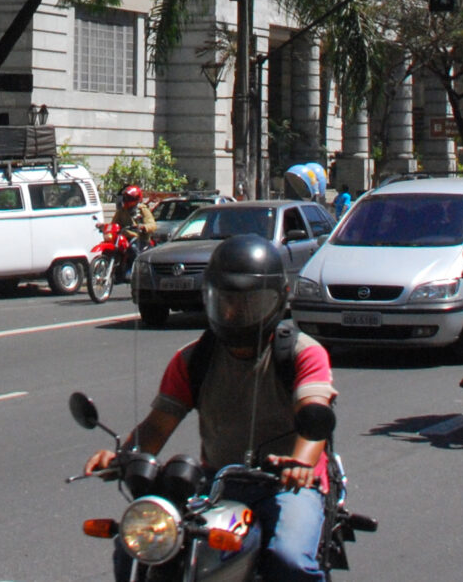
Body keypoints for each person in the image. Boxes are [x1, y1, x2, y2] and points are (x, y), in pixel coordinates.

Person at [82, 235, 334, 582]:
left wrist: (301, 464)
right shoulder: (194, 359)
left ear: (278, 300)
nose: (235, 312)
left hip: (287, 485)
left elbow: (314, 414)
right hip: (217, 482)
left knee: (288, 560)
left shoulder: (303, 354)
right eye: (225, 301)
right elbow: (157, 426)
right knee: (140, 541)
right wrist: (124, 456)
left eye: (250, 302)